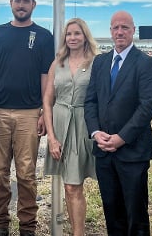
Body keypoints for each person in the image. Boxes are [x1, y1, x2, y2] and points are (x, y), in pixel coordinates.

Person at [0, 0, 55, 236]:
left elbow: (46, 76)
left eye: (27, 0)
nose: (22, 4)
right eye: (18, 0)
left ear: (33, 5)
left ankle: (28, 226)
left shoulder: (44, 36)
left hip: (29, 114)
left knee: (26, 174)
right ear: (11, 3)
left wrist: (44, 114)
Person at [84, 10, 152, 236]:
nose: (120, 32)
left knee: (135, 214)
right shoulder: (100, 62)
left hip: (133, 152)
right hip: (104, 152)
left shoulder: (145, 63)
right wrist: (96, 132)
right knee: (111, 211)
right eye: (115, 28)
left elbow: (146, 107)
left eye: (125, 27)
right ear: (110, 31)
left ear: (133, 31)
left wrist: (121, 138)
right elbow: (90, 101)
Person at [43, 18, 98, 236]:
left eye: (77, 33)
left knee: (74, 185)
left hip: (84, 125)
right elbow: (47, 100)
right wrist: (51, 137)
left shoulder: (96, 62)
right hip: (59, 123)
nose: (73, 38)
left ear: (85, 36)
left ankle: (78, 233)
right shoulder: (57, 63)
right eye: (69, 34)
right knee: (68, 184)